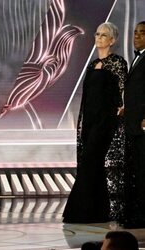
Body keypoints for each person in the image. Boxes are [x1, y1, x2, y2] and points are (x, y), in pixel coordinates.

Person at [63, 22, 128, 223]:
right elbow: (87, 97)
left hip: (105, 121)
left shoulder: (117, 62)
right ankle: (98, 211)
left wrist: (123, 107)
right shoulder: (92, 65)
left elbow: (124, 89)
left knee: (91, 160)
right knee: (94, 164)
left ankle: (80, 211)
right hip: (90, 121)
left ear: (112, 40)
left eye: (104, 35)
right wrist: (82, 123)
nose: (98, 37)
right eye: (97, 33)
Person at [123, 21, 145, 228]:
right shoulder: (137, 59)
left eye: (142, 33)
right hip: (133, 124)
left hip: (143, 126)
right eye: (135, 33)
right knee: (136, 169)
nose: (137, 36)